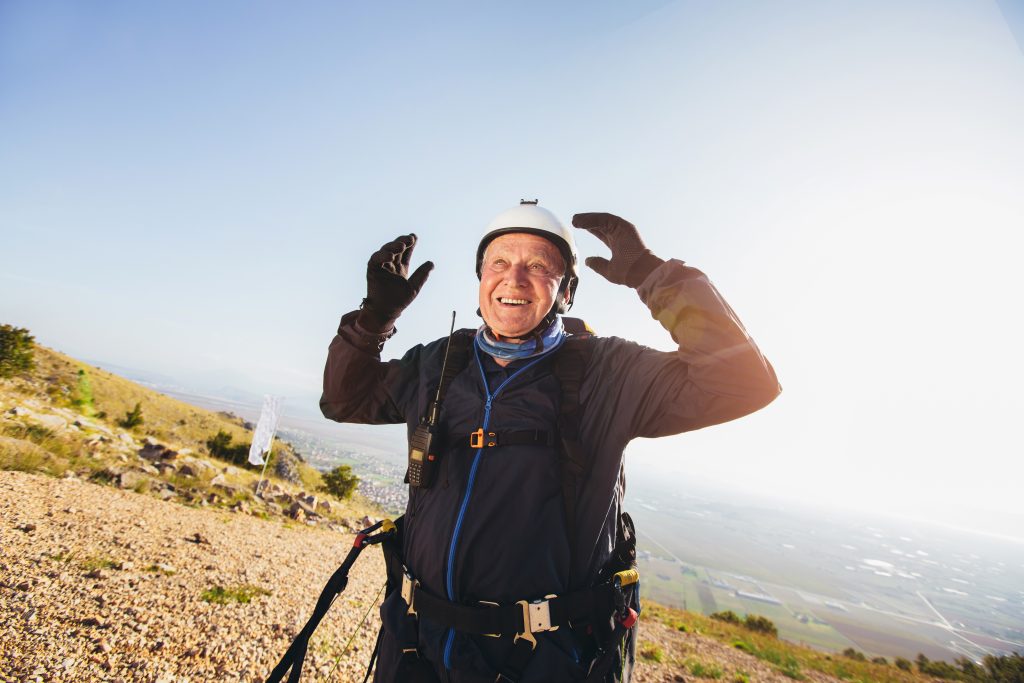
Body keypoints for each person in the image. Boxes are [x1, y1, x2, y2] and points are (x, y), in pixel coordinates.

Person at [320, 201, 780, 682]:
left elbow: (743, 381)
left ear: (567, 292)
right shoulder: (438, 364)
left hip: (543, 660)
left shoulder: (608, 372)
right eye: (499, 262)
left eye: (539, 267)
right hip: (416, 645)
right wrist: (374, 318)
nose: (513, 279)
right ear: (480, 279)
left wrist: (653, 275)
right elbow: (344, 400)